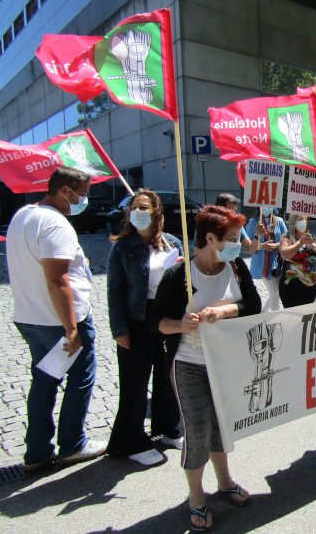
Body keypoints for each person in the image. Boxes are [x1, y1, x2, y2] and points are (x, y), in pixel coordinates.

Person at [147, 205, 261, 532]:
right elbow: (156, 323)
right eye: (233, 238)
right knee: (197, 430)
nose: (240, 245)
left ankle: (224, 481)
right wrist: (182, 324)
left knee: (220, 424)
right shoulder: (179, 276)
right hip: (190, 365)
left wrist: (222, 312)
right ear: (211, 239)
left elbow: (252, 306)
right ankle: (196, 497)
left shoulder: (236, 267)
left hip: (225, 364)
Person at [7, 166, 106, 471]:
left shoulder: (23, 215)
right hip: (59, 321)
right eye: (83, 195)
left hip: (31, 317)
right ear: (66, 190)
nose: (84, 201)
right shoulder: (55, 224)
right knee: (80, 377)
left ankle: (37, 452)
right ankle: (73, 444)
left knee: (45, 381)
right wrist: (72, 328)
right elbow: (57, 280)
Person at [106, 189, 184, 466]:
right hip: (136, 321)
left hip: (166, 318)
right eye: (134, 208)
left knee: (167, 375)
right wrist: (119, 329)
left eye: (144, 208)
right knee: (135, 383)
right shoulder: (123, 247)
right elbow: (114, 290)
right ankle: (129, 440)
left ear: (157, 213)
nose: (138, 212)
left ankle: (168, 428)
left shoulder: (174, 242)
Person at [278, 214, 316, 308]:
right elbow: (284, 254)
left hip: (311, 284)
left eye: (305, 219)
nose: (303, 222)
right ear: (294, 222)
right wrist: (300, 243)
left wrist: (312, 245)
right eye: (300, 219)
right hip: (291, 285)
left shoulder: (311, 237)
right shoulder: (287, 236)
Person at [246, 207, 287, 312]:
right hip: (263, 264)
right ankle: (275, 317)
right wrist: (262, 246)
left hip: (277, 263)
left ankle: (263, 313)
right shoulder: (253, 222)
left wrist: (276, 245)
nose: (267, 208)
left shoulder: (279, 221)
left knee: (277, 291)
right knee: (274, 292)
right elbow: (249, 246)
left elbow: (285, 239)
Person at [193, 193, 260, 256]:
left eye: (235, 211)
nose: (233, 215)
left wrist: (257, 235)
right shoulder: (205, 225)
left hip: (231, 267)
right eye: (230, 212)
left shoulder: (237, 226)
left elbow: (251, 250)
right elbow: (197, 253)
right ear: (220, 209)